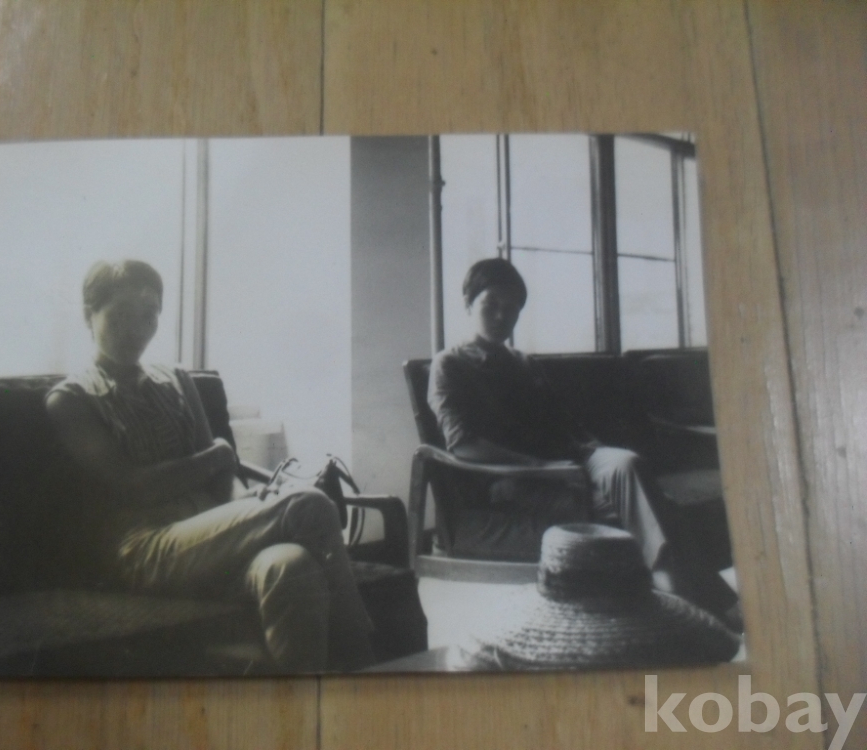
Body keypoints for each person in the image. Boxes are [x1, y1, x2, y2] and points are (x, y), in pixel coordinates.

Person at [45, 259, 374, 673]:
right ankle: (369, 668)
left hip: (213, 539)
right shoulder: (71, 399)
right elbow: (134, 488)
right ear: (88, 315)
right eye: (121, 314)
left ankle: (297, 706)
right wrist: (216, 456)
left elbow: (223, 473)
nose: (136, 329)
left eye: (149, 315)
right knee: (308, 505)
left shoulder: (177, 380)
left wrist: (246, 499)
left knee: (292, 566)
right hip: (146, 549)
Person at [428, 257, 738, 624]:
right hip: (518, 480)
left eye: (511, 308)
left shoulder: (523, 363)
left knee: (626, 463)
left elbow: (563, 424)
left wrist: (592, 451)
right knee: (648, 504)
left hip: (571, 462)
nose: (501, 315)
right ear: (468, 304)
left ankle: (675, 587)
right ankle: (693, 593)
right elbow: (463, 444)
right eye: (491, 303)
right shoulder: (449, 365)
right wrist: (542, 467)